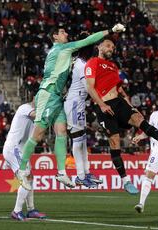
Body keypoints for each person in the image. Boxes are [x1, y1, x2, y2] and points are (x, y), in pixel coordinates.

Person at [17, 24, 127, 190]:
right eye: (62, 32)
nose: (66, 33)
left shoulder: (69, 56)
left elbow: (84, 49)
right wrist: (111, 31)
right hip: (49, 93)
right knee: (38, 134)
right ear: (55, 37)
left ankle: (62, 172)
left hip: (58, 97)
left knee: (61, 132)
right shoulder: (62, 48)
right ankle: (22, 168)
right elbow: (87, 42)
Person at [85, 38, 158, 194]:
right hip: (104, 106)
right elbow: (89, 87)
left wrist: (131, 106)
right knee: (114, 141)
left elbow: (119, 90)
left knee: (139, 119)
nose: (111, 48)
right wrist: (101, 104)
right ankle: (125, 181)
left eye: (113, 47)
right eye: (108, 45)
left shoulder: (114, 67)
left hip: (119, 102)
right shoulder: (93, 62)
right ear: (99, 46)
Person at [64, 32, 102, 188]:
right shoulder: (81, 66)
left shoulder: (78, 62)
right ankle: (80, 176)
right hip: (74, 102)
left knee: (82, 139)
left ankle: (86, 173)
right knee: (78, 138)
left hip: (78, 102)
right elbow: (88, 87)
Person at [2, 96, 47, 221]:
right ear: (34, 98)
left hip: (21, 151)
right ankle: (16, 211)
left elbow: (38, 137)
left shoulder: (36, 119)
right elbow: (37, 115)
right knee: (26, 177)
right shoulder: (25, 108)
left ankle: (31, 209)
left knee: (29, 177)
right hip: (14, 148)